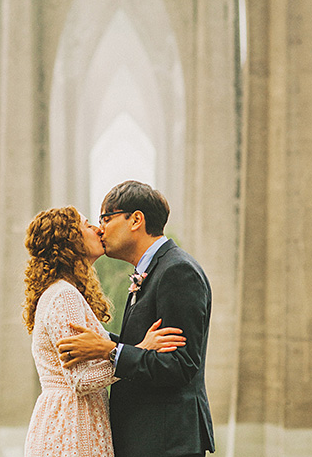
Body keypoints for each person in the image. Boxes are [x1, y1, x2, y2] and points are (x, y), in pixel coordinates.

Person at [57, 181, 215, 457]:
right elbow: (142, 344)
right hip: (147, 439)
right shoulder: (152, 271)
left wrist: (111, 351)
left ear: (136, 220)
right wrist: (104, 341)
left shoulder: (177, 271)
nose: (100, 228)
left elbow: (180, 365)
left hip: (166, 442)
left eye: (106, 218)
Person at [22, 205, 187, 457]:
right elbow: (81, 380)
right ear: (70, 240)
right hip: (72, 426)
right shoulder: (64, 296)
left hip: (69, 420)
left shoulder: (59, 292)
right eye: (88, 225)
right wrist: (140, 350)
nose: (98, 229)